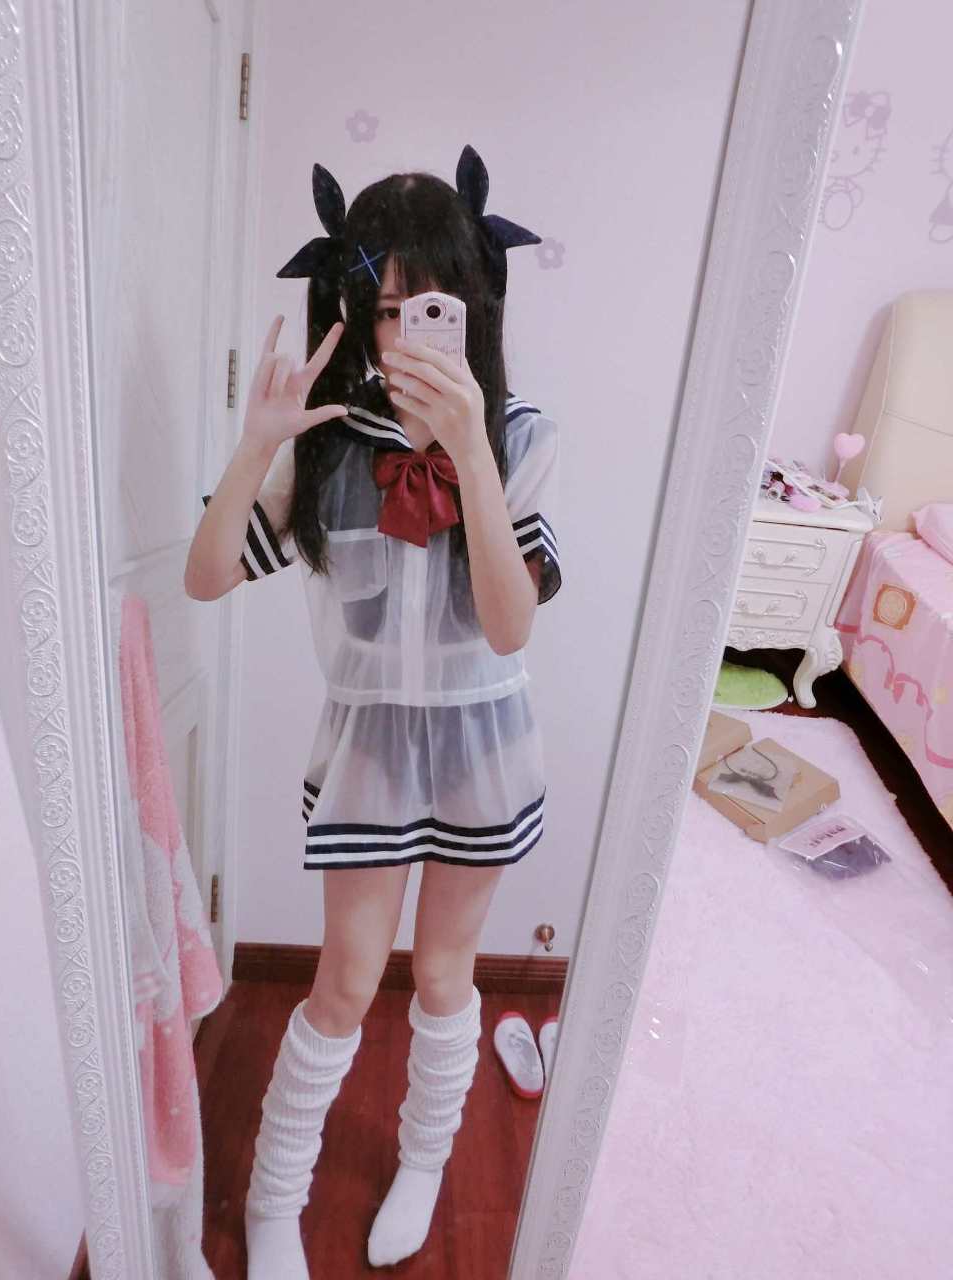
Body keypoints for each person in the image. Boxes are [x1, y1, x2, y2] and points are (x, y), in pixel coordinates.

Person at [185, 144, 562, 1278]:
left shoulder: (522, 437)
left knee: (446, 975)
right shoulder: (332, 449)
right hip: (370, 750)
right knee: (344, 983)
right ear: (350, 308)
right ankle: (272, 1199)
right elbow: (205, 575)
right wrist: (258, 443)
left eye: (428, 306)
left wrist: (471, 455)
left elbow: (510, 627)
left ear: (473, 304)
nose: (403, 336)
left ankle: (424, 1162)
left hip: (483, 741)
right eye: (383, 308)